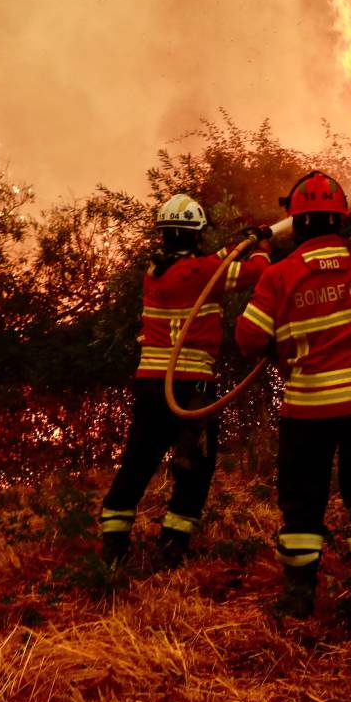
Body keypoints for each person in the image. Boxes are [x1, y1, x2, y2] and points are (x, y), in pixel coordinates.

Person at [234, 170, 351, 628]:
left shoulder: (278, 276)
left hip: (309, 408)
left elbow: (248, 338)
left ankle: (297, 600)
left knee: (302, 502)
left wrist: (280, 343)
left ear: (297, 222)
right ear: (340, 218)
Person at [97, 194, 270, 569]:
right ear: (196, 235)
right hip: (192, 387)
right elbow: (258, 272)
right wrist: (262, 248)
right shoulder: (205, 272)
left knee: (139, 460)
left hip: (150, 386)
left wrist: (241, 240)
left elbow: (208, 264)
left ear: (164, 235)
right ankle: (173, 545)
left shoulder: (154, 272)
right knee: (195, 465)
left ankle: (113, 546)